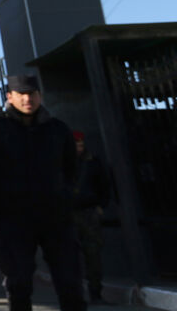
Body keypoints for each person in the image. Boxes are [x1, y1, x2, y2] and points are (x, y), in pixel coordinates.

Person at [0, 74, 85, 311]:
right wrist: (0, 190)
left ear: (40, 95)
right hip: (13, 218)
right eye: (21, 94)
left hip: (56, 216)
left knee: (69, 280)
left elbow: (72, 167)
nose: (27, 99)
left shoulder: (57, 129)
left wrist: (65, 194)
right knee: (19, 282)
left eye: (32, 93)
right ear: (10, 97)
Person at [70, 130, 111, 303]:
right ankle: (73, 294)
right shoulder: (59, 163)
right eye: (75, 145)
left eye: (80, 145)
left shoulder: (92, 162)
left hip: (89, 212)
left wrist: (101, 206)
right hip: (68, 214)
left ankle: (95, 292)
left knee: (93, 254)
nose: (79, 148)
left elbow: (104, 184)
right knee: (69, 255)